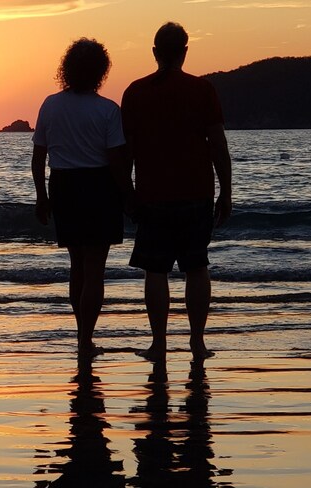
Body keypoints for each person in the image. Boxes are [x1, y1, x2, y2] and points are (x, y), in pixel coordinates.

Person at [121, 22, 233, 361]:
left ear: (155, 52)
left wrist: (127, 192)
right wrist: (226, 191)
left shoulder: (136, 92)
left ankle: (159, 344)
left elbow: (126, 151)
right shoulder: (202, 90)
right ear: (185, 52)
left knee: (156, 271)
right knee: (196, 267)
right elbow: (218, 145)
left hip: (152, 194)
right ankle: (197, 342)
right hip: (196, 192)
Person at [32, 38, 132, 359]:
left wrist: (42, 196)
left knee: (77, 265)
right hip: (99, 186)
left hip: (64, 185)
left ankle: (82, 335)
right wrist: (129, 195)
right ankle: (86, 339)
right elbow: (116, 161)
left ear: (68, 68)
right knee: (94, 269)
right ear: (101, 71)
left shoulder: (50, 105)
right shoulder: (108, 110)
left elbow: (38, 157)